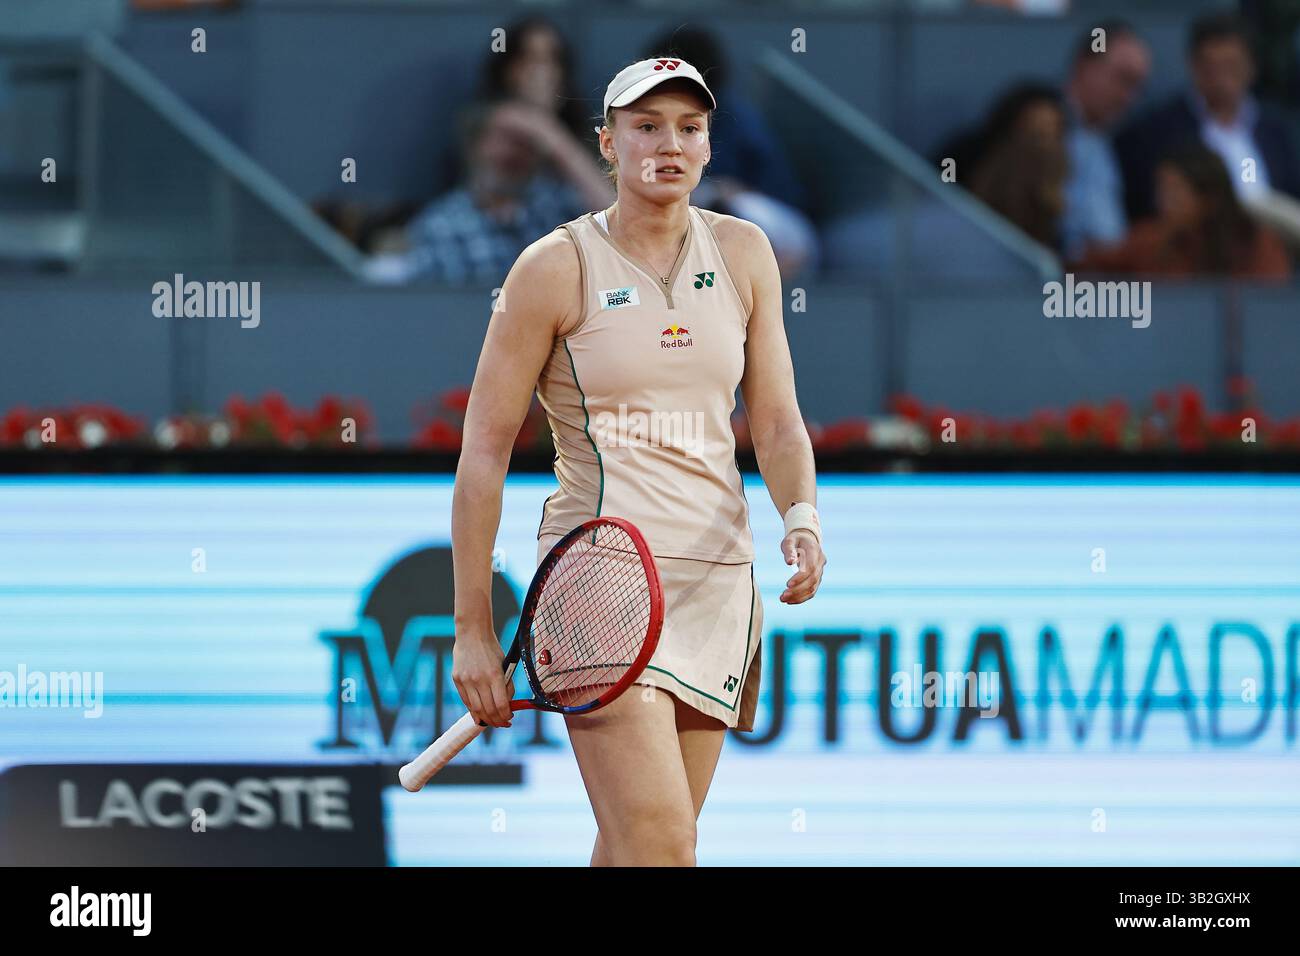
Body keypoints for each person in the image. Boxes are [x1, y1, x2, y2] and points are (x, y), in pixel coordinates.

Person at [449, 56, 826, 866]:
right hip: (598, 582)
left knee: (632, 850)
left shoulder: (745, 252)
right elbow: (482, 456)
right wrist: (473, 630)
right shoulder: (552, 267)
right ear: (607, 144)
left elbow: (778, 420)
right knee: (661, 845)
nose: (669, 145)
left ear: (709, 146)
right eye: (646, 126)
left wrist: (801, 516)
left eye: (689, 128)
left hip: (719, 582)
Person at [364, 98, 610, 285]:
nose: (513, 152)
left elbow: (619, 220)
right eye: (504, 138)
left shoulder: (557, 208)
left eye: (526, 142)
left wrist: (555, 140)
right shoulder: (440, 227)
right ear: (474, 146)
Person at [1116, 13, 1300, 221]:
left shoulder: (1276, 129)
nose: (1221, 80)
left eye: (1231, 66)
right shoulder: (1154, 132)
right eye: (1212, 68)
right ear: (1193, 66)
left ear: (1251, 67)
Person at [1075, 144, 1291, 279]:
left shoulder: (1256, 244)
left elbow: (1267, 312)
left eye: (1174, 192)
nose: (1162, 202)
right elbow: (1088, 268)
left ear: (1209, 199)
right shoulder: (1151, 239)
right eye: (1161, 190)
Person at [1060, 20, 1151, 259]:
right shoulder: (1040, 128)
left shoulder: (1123, 145)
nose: (1128, 97)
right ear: (1084, 66)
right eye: (1123, 79)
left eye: (1137, 87)